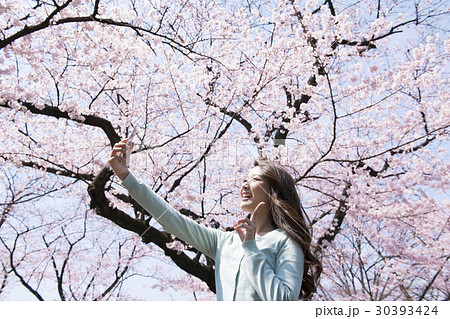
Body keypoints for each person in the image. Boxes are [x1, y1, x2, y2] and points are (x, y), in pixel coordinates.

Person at [108, 138, 322, 300]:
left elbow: (282, 300)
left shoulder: (286, 241)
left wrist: (251, 247)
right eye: (244, 179)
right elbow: (171, 219)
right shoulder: (224, 242)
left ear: (274, 191)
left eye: (255, 180)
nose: (244, 185)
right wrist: (126, 176)